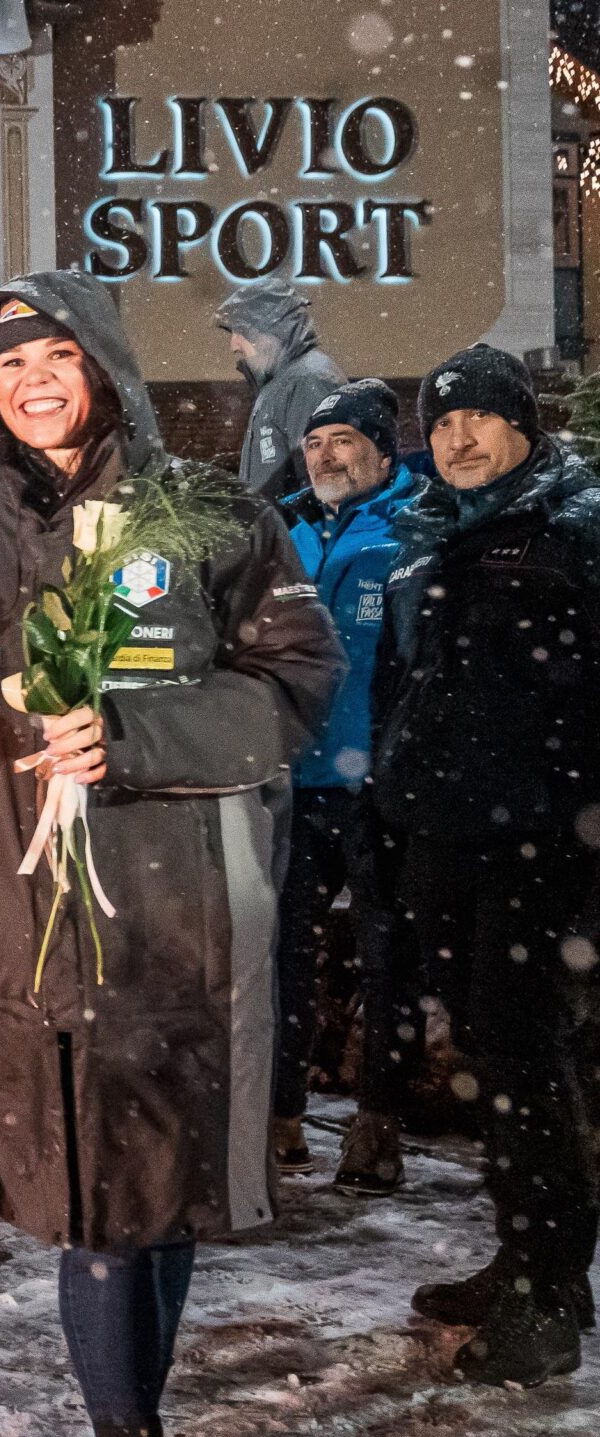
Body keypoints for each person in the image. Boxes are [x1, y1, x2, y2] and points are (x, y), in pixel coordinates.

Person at [0, 273, 342, 1437]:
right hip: (24, 911)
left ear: (104, 364)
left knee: (155, 1200)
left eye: (58, 356)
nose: (35, 382)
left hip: (178, 916)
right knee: (102, 1203)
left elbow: (295, 682)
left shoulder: (219, 515)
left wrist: (143, 736)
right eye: (9, 366)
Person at [374, 343, 600, 1386]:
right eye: (441, 420)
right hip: (442, 831)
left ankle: (546, 1298)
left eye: (479, 418)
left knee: (524, 1064)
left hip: (538, 842)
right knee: (492, 1058)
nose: (457, 438)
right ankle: (530, 1258)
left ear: (523, 427)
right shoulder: (429, 538)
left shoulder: (572, 529)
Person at [270, 380, 422, 1195]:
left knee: (384, 958)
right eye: (316, 442)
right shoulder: (286, 528)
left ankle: (377, 1125)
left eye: (344, 441)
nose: (326, 456)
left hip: (382, 787)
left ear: (382, 450)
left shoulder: (415, 528)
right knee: (281, 955)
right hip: (294, 779)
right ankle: (283, 1117)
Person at [216, 281, 345, 501]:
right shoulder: (281, 383)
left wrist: (299, 532)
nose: (233, 345)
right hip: (279, 532)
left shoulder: (306, 381)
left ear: (271, 331)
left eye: (240, 331)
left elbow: (323, 480)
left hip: (293, 534)